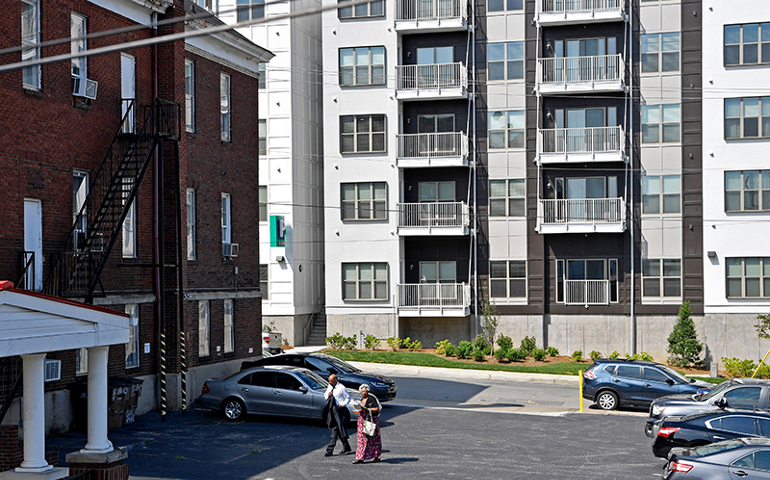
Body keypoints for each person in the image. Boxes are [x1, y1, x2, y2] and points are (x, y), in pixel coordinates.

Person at [352, 383, 382, 464]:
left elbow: (376, 409)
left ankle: (376, 455)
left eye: (365, 391)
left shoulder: (371, 398)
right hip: (362, 422)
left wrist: (367, 409)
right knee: (362, 440)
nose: (364, 393)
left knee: (374, 439)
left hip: (370, 421)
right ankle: (360, 457)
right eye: (362, 392)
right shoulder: (361, 399)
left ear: (368, 391)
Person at [323, 373, 352, 457]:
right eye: (329, 381)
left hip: (339, 411)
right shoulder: (330, 386)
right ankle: (346, 447)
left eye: (331, 381)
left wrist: (341, 405)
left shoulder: (341, 388)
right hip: (332, 410)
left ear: (335, 380)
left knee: (336, 429)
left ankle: (329, 450)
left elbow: (348, 398)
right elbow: (325, 396)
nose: (330, 382)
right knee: (338, 429)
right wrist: (327, 396)